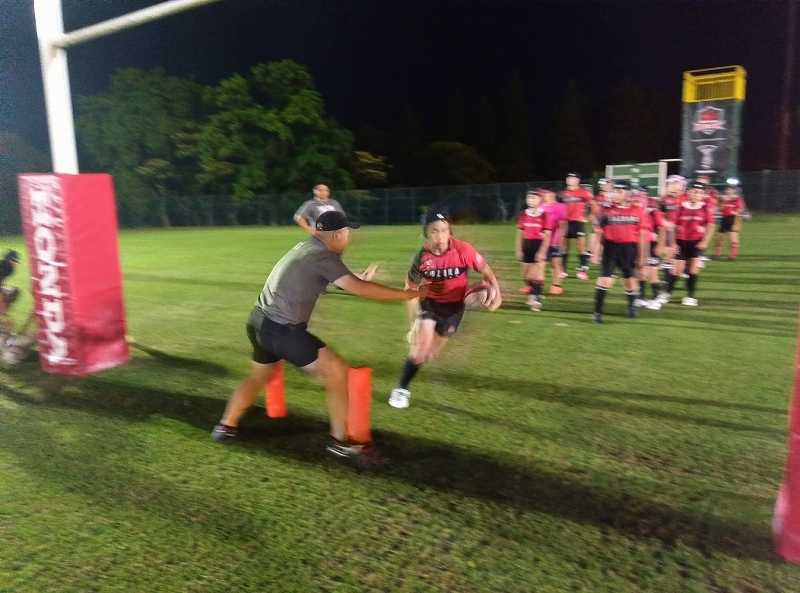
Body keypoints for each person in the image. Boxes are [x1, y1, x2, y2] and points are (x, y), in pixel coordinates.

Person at [212, 211, 425, 467]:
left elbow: (321, 277)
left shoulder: (307, 247)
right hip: (282, 330)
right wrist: (408, 295)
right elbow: (360, 289)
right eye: (347, 233)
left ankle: (225, 426)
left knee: (259, 375)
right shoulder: (324, 255)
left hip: (258, 322)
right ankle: (340, 441)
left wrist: (355, 278)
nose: (349, 238)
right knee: (337, 371)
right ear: (336, 235)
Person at [388, 210, 502, 409]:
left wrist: (496, 293)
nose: (440, 236)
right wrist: (413, 322)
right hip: (430, 304)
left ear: (450, 232)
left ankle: (421, 353)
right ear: (427, 233)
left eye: (444, 230)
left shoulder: (463, 250)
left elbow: (486, 270)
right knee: (420, 350)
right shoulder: (422, 257)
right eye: (434, 231)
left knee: (430, 354)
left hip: (454, 309)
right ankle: (401, 390)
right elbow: (410, 289)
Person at [590, 181, 650, 323]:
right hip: (610, 248)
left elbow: (643, 236)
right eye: (614, 191)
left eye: (619, 191)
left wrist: (643, 257)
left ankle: (631, 306)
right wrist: (595, 252)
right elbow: (598, 232)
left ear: (628, 193)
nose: (615, 194)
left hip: (629, 249)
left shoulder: (638, 211)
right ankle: (597, 312)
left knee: (629, 280)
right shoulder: (606, 210)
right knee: (605, 280)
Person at [294, 183, 377, 281]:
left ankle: (354, 278)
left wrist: (345, 231)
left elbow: (341, 217)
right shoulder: (310, 204)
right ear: (315, 192)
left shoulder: (334, 203)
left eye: (326, 190)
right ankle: (357, 278)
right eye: (321, 190)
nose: (325, 192)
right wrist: (309, 229)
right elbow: (298, 217)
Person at [664, 181, 715, 306]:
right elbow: (672, 226)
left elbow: (711, 225)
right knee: (677, 270)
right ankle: (666, 294)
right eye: (694, 192)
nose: (697, 194)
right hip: (681, 242)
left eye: (700, 192)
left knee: (693, 269)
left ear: (703, 195)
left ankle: (690, 296)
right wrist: (673, 243)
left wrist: (705, 241)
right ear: (688, 192)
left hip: (696, 242)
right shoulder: (680, 207)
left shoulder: (705, 208)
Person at [515, 190, 552, 311]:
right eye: (529, 198)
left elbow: (547, 235)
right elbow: (520, 233)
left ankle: (536, 299)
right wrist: (519, 249)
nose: (531, 200)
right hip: (526, 245)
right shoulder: (523, 214)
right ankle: (533, 291)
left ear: (540, 200)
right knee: (526, 276)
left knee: (538, 274)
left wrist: (542, 251)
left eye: (534, 198)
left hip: (539, 245)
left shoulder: (545, 215)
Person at [559, 172, 594, 280]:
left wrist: (588, 216)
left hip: (578, 222)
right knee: (564, 247)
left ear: (577, 180)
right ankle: (563, 270)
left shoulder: (584, 193)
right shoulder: (562, 194)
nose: (570, 179)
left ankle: (582, 270)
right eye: (568, 178)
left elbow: (593, 205)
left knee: (581, 247)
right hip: (565, 222)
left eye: (572, 178)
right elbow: (558, 207)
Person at [541, 189, 568, 295]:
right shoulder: (541, 206)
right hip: (542, 240)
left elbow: (562, 226)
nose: (544, 195)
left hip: (554, 240)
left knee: (555, 263)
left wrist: (559, 239)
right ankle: (536, 285)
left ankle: (556, 285)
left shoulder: (559, 207)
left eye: (546, 193)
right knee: (540, 264)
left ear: (552, 194)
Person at [714, 178, 746, 260]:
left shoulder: (738, 199)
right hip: (724, 219)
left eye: (730, 190)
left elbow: (739, 211)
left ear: (734, 191)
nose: (728, 191)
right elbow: (720, 209)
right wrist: (722, 202)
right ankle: (717, 254)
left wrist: (736, 223)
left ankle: (733, 256)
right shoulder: (724, 199)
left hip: (733, 219)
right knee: (719, 238)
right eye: (727, 190)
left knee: (733, 240)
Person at [0, 250, 20, 337]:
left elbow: (2, 281)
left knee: (14, 291)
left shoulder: (8, 269)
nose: (16, 263)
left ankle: (3, 322)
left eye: (17, 261)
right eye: (14, 261)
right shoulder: (5, 267)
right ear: (9, 260)